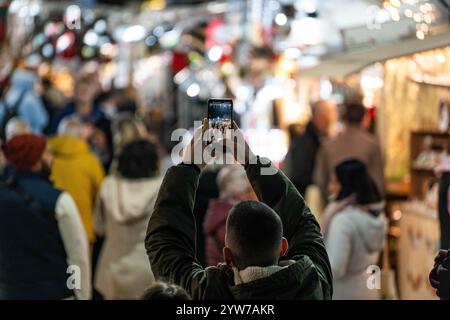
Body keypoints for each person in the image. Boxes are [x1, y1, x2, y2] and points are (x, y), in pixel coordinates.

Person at [145, 120, 332, 300]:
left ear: (228, 256)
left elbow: (165, 244)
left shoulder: (204, 293)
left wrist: (189, 166)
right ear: (283, 246)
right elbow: (303, 224)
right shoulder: (313, 284)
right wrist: (251, 161)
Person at [0, 134, 90, 299]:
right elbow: (78, 257)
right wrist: (82, 294)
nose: (52, 158)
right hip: (56, 292)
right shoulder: (59, 199)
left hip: (9, 292)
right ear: (35, 161)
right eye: (47, 153)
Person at [94, 139, 163, 300]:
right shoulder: (165, 188)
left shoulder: (109, 185)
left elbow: (99, 227)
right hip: (151, 271)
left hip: (112, 270)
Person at [322, 159, 387, 300]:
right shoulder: (376, 215)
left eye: (334, 182)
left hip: (343, 292)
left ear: (346, 185)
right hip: (369, 288)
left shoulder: (343, 221)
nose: (329, 187)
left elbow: (335, 268)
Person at [49, 116, 105, 245]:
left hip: (53, 230)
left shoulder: (48, 159)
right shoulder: (91, 161)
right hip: (83, 230)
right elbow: (101, 195)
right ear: (82, 137)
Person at [314, 102, 385, 201]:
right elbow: (379, 183)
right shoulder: (372, 145)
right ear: (365, 119)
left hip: (335, 205)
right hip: (364, 208)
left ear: (345, 120)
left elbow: (319, 180)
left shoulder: (328, 145)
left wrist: (330, 200)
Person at [203, 165, 257, 266]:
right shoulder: (236, 218)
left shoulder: (220, 211)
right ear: (239, 193)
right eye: (250, 189)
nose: (255, 193)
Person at [284, 100, 337, 196]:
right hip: (306, 200)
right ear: (320, 117)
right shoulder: (304, 143)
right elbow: (300, 176)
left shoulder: (316, 139)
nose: (331, 122)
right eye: (329, 118)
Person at [0, 69, 48, 136]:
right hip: (32, 138)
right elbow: (43, 121)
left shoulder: (5, 100)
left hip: (11, 141)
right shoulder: (30, 98)